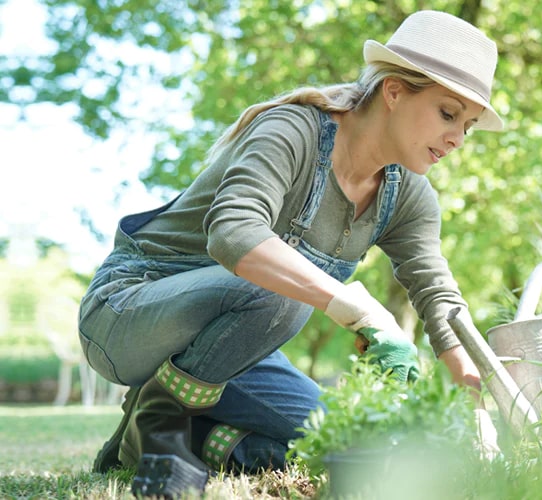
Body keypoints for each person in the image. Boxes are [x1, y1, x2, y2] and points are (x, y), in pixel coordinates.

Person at [77, 10, 502, 498]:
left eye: (467, 126)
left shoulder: (408, 195)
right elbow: (234, 234)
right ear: (394, 91)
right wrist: (359, 309)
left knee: (352, 443)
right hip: (129, 312)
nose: (456, 138)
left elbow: (437, 296)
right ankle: (161, 420)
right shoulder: (294, 131)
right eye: (448, 113)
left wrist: (475, 403)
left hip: (231, 349)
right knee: (280, 294)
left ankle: (169, 440)